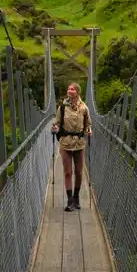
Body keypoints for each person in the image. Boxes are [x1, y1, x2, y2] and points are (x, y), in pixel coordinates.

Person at [52, 82, 92, 211]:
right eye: (68, 88)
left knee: (79, 173)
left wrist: (89, 130)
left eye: (72, 89)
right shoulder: (62, 108)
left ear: (78, 92)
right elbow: (57, 123)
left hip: (79, 144)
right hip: (65, 143)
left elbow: (88, 124)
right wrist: (55, 128)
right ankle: (69, 201)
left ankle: (76, 198)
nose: (69, 90)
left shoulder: (84, 108)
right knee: (68, 172)